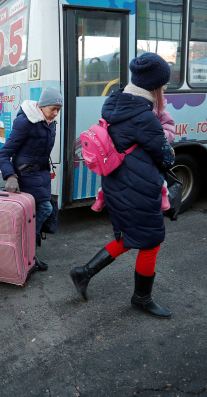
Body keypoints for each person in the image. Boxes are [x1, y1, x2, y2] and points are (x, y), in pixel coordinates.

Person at [69, 53, 176, 319]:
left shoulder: (115, 104)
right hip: (137, 189)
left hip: (117, 185)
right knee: (150, 241)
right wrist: (165, 128)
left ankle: (84, 272)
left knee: (128, 237)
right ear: (155, 86)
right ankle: (141, 298)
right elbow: (167, 157)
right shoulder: (144, 116)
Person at [0, 87, 63, 272]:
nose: (56, 113)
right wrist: (10, 176)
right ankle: (26, 251)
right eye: (53, 109)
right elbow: (4, 153)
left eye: (58, 110)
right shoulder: (25, 122)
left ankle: (28, 255)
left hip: (41, 175)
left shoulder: (49, 122)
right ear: (41, 106)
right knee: (45, 209)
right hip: (25, 175)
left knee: (37, 214)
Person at [91, 83, 176, 212]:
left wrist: (158, 134)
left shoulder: (159, 111)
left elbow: (169, 130)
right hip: (129, 152)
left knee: (155, 169)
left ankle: (163, 192)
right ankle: (102, 194)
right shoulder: (132, 111)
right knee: (110, 168)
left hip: (145, 148)